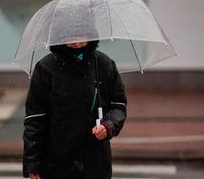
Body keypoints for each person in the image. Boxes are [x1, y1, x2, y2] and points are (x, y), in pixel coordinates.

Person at [23, 39, 127, 179]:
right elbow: (35, 118)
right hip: (56, 162)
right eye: (71, 37)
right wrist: (32, 162)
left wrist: (109, 126)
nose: (76, 42)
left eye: (80, 36)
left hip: (95, 162)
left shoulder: (103, 64)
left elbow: (118, 105)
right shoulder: (46, 68)